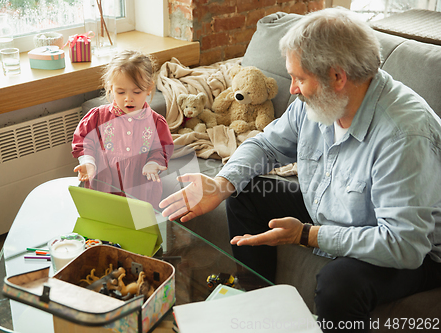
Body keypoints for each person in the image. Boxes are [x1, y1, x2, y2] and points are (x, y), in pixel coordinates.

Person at [159, 8, 441, 332]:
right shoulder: (318, 103)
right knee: (245, 190)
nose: (291, 88)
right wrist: (220, 183)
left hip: (412, 249)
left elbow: (403, 244)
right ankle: (258, 309)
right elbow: (265, 145)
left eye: (299, 78)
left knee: (339, 284)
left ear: (337, 77)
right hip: (335, 205)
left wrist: (307, 235)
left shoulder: (405, 135)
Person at [72, 50, 174, 209]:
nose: (128, 98)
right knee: (104, 227)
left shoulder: (156, 122)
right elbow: (83, 140)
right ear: (110, 88)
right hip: (103, 188)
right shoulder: (97, 117)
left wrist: (153, 163)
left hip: (140, 192)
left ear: (149, 88)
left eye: (137, 91)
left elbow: (162, 149)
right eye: (121, 92)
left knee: (139, 229)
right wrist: (88, 162)